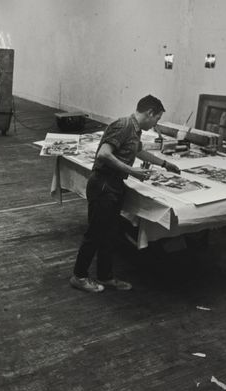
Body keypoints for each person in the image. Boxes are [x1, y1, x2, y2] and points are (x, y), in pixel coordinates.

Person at [70, 94, 181, 293]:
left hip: (114, 185)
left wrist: (165, 164)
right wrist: (132, 171)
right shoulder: (123, 126)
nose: (156, 124)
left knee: (110, 233)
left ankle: (105, 277)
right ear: (149, 113)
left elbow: (139, 152)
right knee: (95, 234)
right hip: (103, 184)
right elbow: (104, 154)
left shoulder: (135, 130)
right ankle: (79, 276)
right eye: (157, 119)